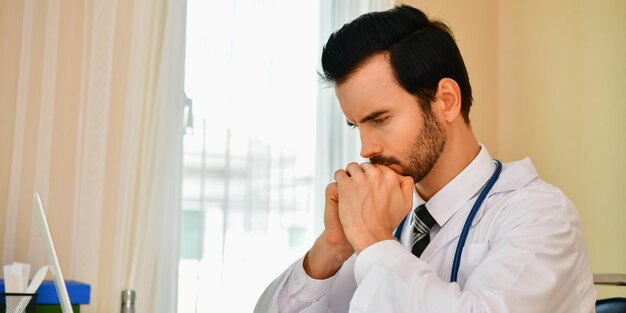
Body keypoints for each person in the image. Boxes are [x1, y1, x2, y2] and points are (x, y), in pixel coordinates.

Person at [255, 5, 596, 313]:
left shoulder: (542, 215)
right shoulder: (382, 224)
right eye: (356, 125)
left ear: (446, 100)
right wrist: (332, 246)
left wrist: (374, 238)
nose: (365, 148)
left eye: (380, 119)